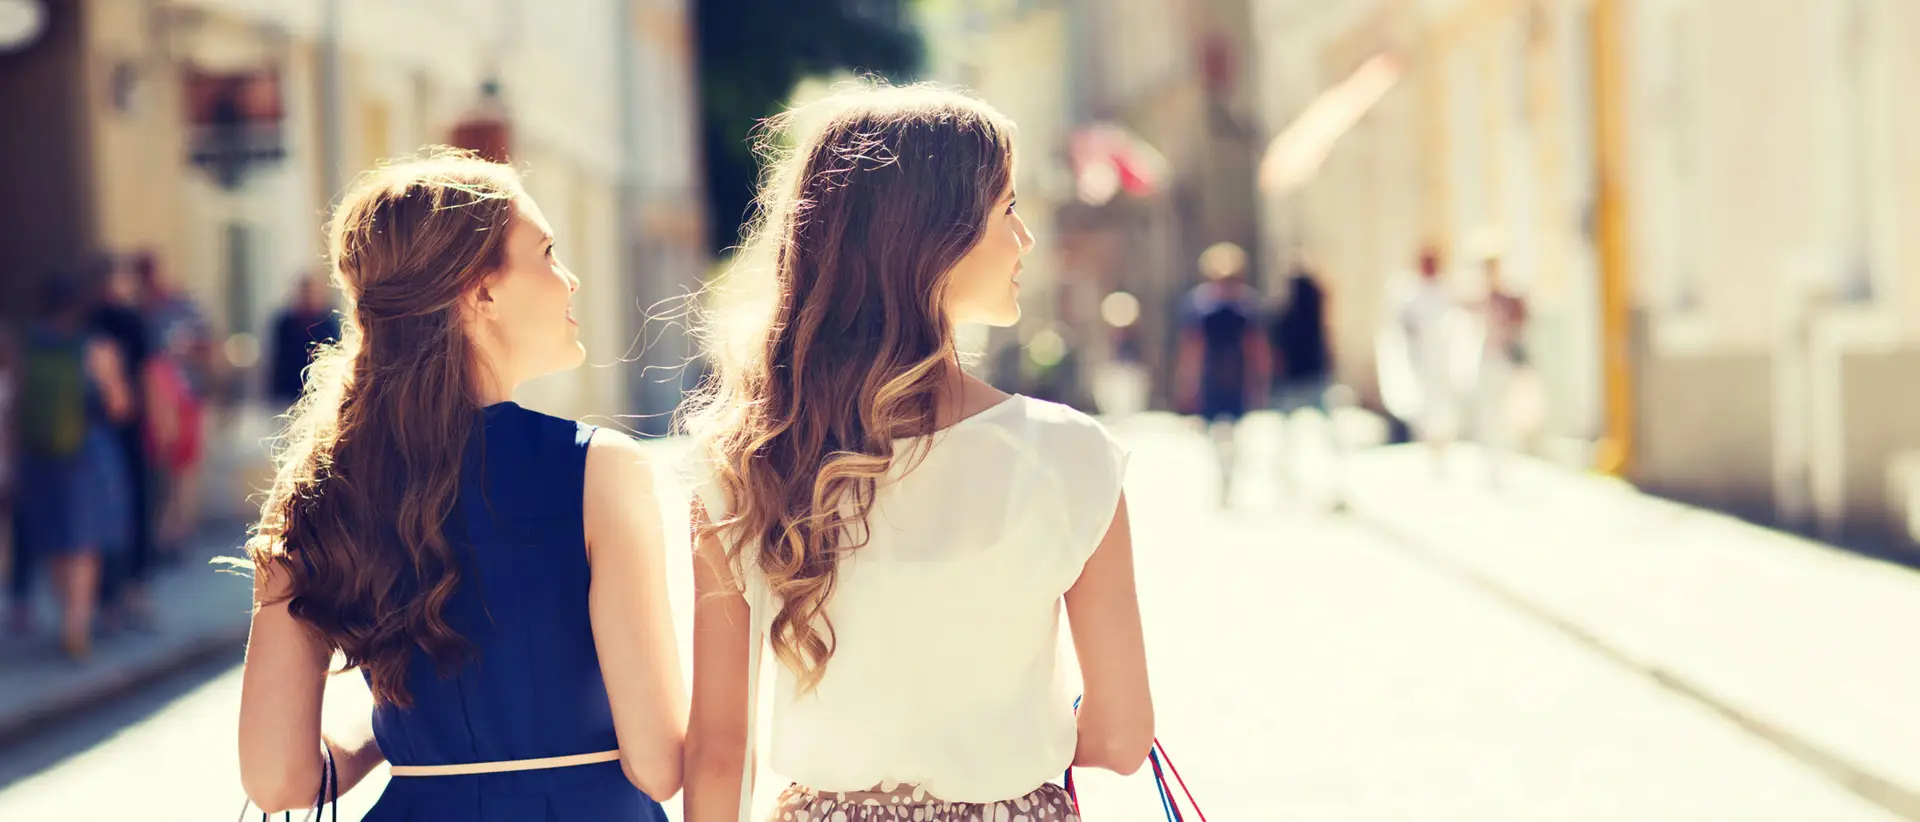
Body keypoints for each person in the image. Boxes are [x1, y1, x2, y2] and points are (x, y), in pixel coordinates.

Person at [681, 83, 1153, 822]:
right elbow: (1123, 738)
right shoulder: (1067, 455)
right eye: (1008, 210)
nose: (1025, 240)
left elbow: (717, 749)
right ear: (936, 239)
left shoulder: (743, 460)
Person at [231, 150, 686, 820]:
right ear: (480, 290)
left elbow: (277, 781)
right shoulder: (598, 471)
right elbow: (659, 761)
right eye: (548, 253)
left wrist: (399, 738)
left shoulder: (322, 488)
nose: (571, 280)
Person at [13, 276, 135, 659]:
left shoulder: (27, 347)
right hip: (87, 452)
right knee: (84, 542)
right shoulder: (95, 348)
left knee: (53, 538)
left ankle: (65, 615)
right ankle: (76, 627)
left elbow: (15, 405)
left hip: (39, 456)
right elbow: (119, 406)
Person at [1173, 241, 1271, 507]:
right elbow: (1194, 348)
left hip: (1226, 376)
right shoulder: (1206, 306)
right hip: (1221, 375)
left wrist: (1187, 382)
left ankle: (1227, 477)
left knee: (1226, 433)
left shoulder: (1240, 306)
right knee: (1223, 433)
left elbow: (1254, 347)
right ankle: (1226, 476)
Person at [91, 260, 156, 629]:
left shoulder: (87, 321)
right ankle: (128, 592)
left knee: (105, 514)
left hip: (92, 434)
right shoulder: (130, 322)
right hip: (123, 429)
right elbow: (147, 378)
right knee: (132, 509)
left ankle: (110, 599)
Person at [1267, 266, 1348, 510]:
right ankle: (1333, 487)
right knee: (1326, 439)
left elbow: (1276, 354)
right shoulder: (1315, 317)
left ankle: (1286, 487)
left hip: (1293, 381)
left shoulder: (1282, 317)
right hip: (1313, 379)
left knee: (1287, 439)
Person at [268, 273, 343, 408]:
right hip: (289, 391)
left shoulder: (329, 321)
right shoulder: (285, 322)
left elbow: (336, 353)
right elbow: (277, 359)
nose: (307, 297)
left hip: (321, 390)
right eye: (304, 292)